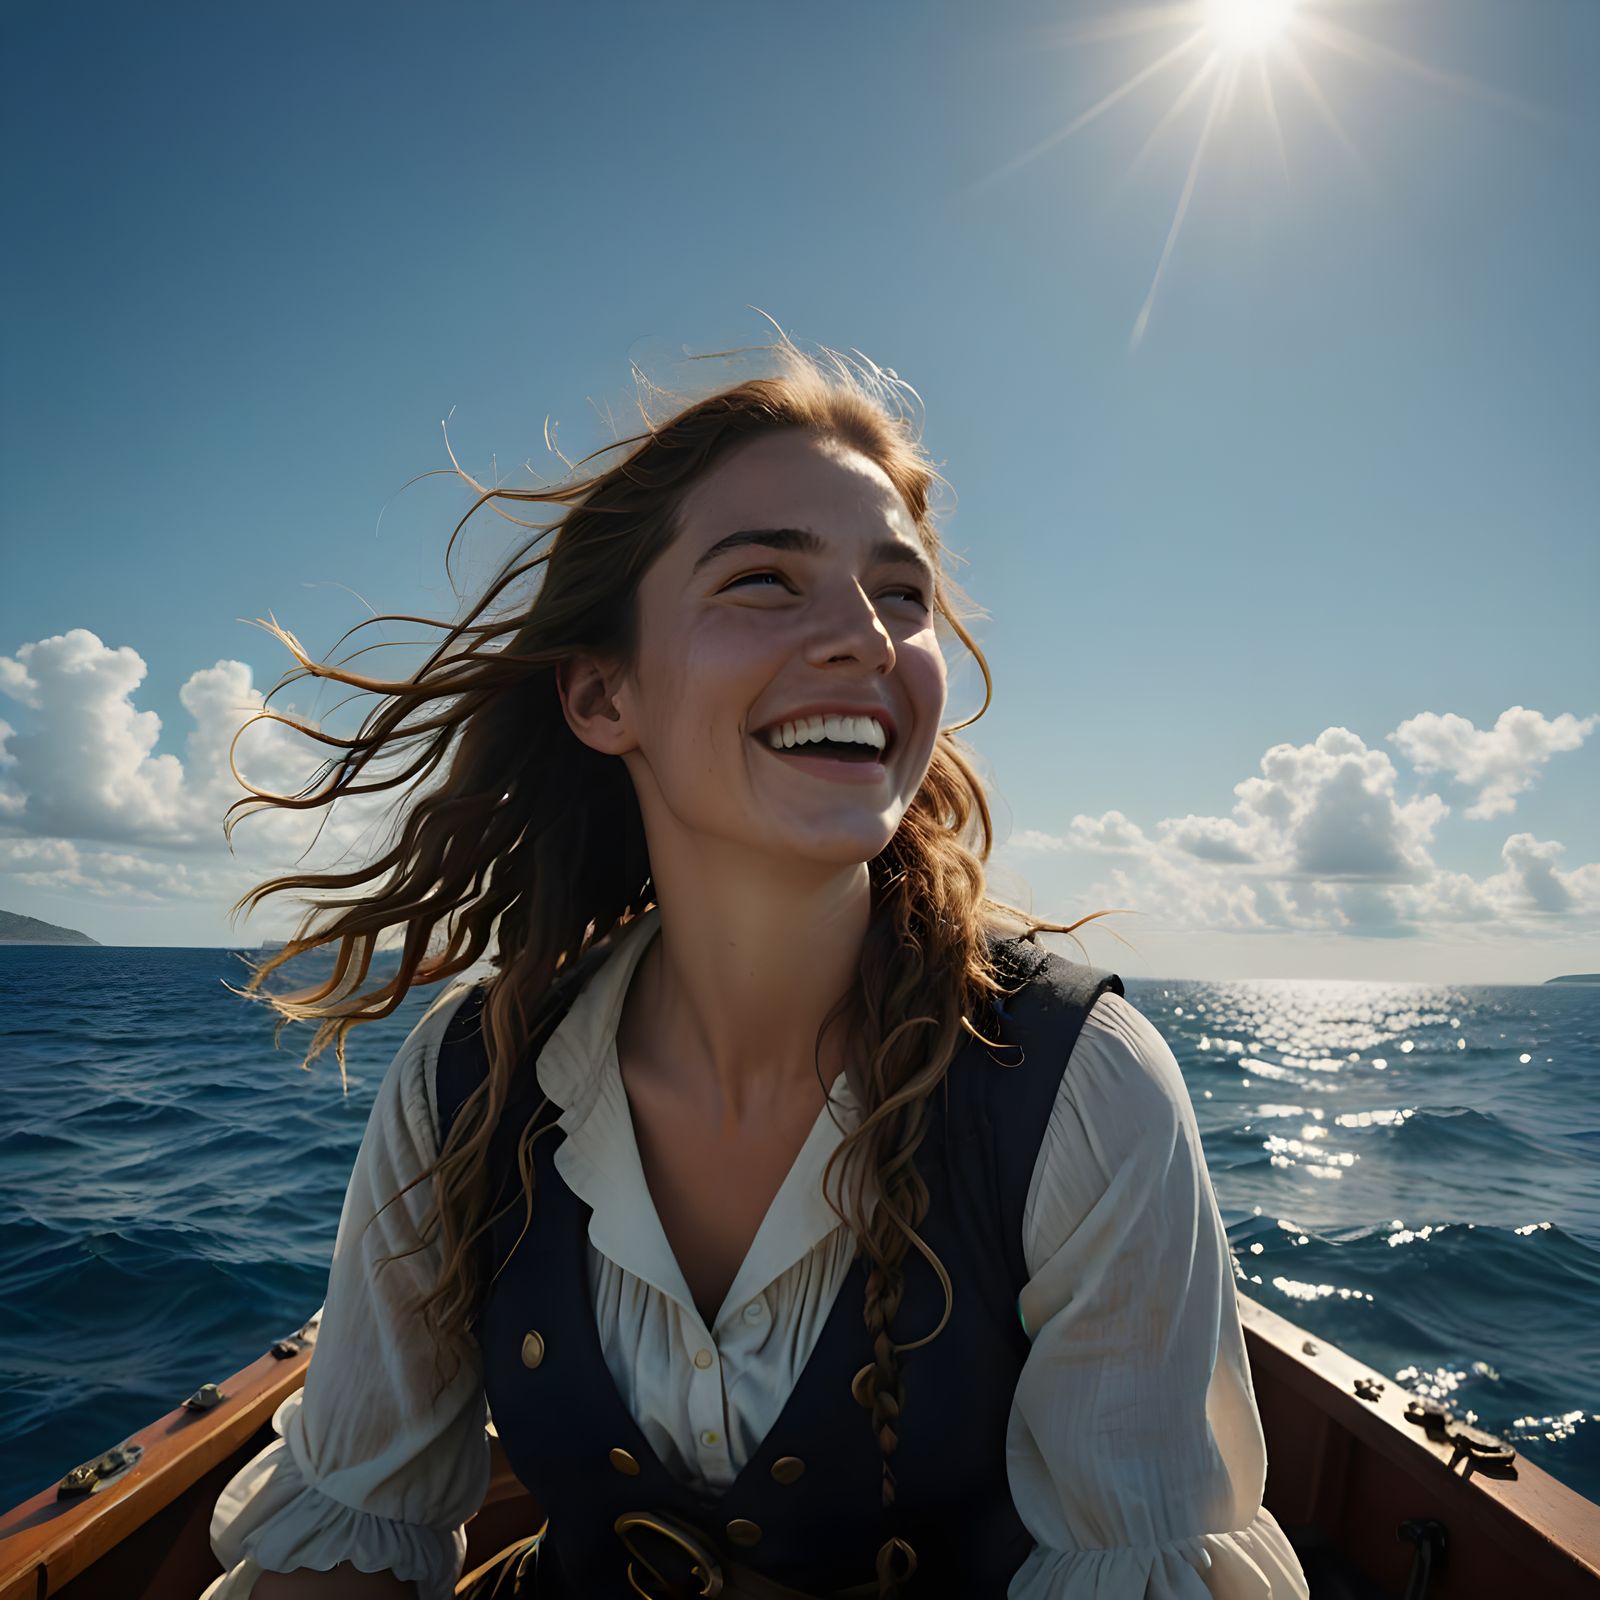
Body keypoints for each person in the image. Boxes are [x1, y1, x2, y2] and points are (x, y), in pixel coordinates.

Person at [202, 336, 1310, 1599]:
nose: (864, 636)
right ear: (602, 696)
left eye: (901, 594)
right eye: (766, 580)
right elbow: (348, 1540)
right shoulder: (467, 1077)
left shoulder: (1078, 1091)